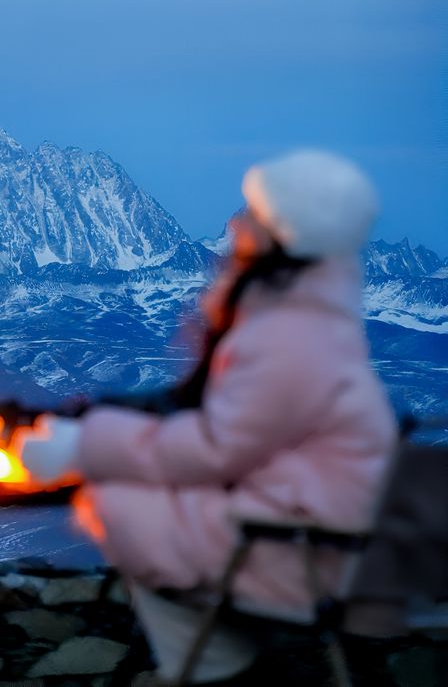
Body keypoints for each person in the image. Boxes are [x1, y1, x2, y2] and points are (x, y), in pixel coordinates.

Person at [21, 149, 398, 685]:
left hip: (300, 546)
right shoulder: (306, 319)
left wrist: (85, 446)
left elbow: (216, 449)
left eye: (250, 214)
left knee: (117, 503)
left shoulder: (289, 331)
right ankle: (215, 662)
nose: (232, 224)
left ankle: (216, 670)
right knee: (136, 506)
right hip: (309, 525)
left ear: (283, 234)